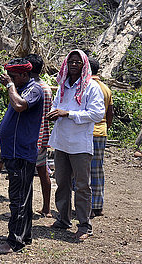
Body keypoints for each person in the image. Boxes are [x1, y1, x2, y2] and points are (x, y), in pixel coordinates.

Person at [47, 49, 105, 241]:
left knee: (81, 186)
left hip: (80, 144)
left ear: (84, 66)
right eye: (70, 61)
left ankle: (84, 225)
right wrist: (54, 112)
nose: (73, 65)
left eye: (77, 62)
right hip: (62, 141)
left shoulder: (91, 87)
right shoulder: (63, 85)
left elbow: (97, 114)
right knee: (62, 182)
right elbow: (57, 104)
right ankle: (63, 219)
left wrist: (69, 114)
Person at [0, 58, 44, 254]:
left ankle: (14, 242)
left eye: (13, 76)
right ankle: (25, 235)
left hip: (21, 152)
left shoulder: (34, 89)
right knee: (24, 197)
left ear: (24, 75)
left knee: (18, 199)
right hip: (15, 152)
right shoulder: (21, 88)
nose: (10, 80)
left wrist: (10, 86)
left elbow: (19, 105)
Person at [24, 53, 53, 218]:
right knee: (43, 171)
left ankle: (26, 208)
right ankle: (46, 208)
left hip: (31, 137)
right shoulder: (46, 87)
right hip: (43, 137)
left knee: (27, 174)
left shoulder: (32, 88)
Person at [88, 57, 114, 218]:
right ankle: (97, 205)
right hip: (101, 132)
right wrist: (105, 127)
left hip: (86, 132)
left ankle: (85, 205)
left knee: (81, 172)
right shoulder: (106, 89)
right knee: (97, 170)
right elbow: (110, 113)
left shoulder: (86, 87)